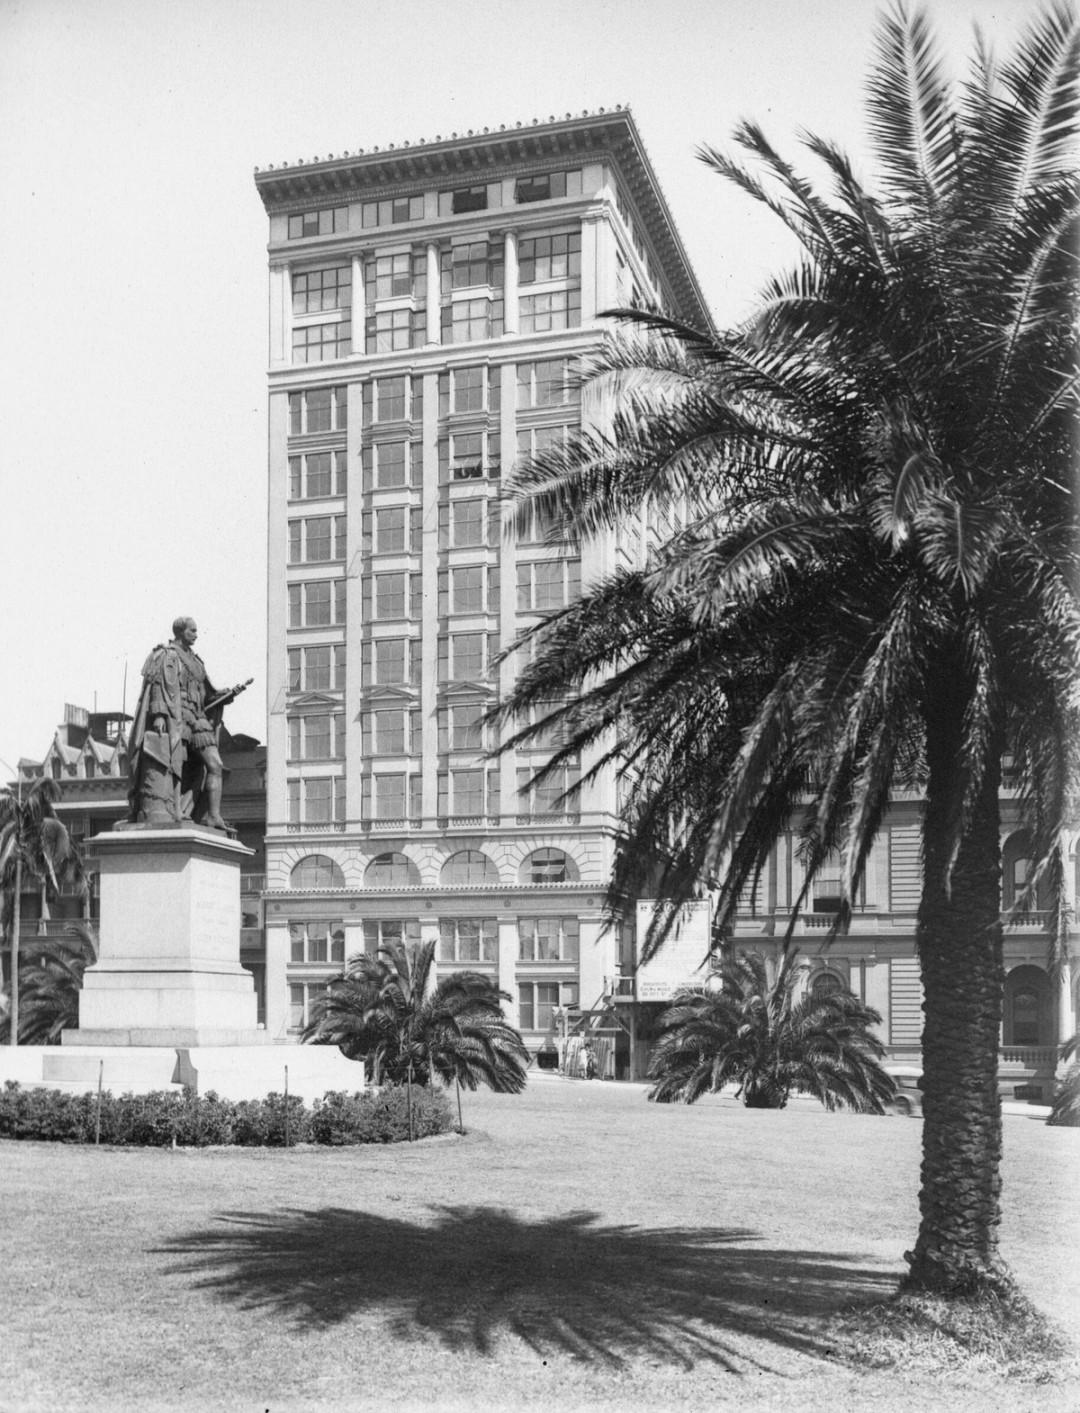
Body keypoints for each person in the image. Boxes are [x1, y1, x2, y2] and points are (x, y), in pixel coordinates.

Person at [127, 617, 249, 830]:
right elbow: (157, 685)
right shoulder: (166, 655)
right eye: (192, 631)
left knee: (215, 765)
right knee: (177, 766)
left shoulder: (196, 661)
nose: (196, 634)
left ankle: (213, 816)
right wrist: (158, 716)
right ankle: (174, 810)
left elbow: (208, 695)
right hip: (177, 718)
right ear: (181, 631)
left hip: (198, 719)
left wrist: (228, 694)